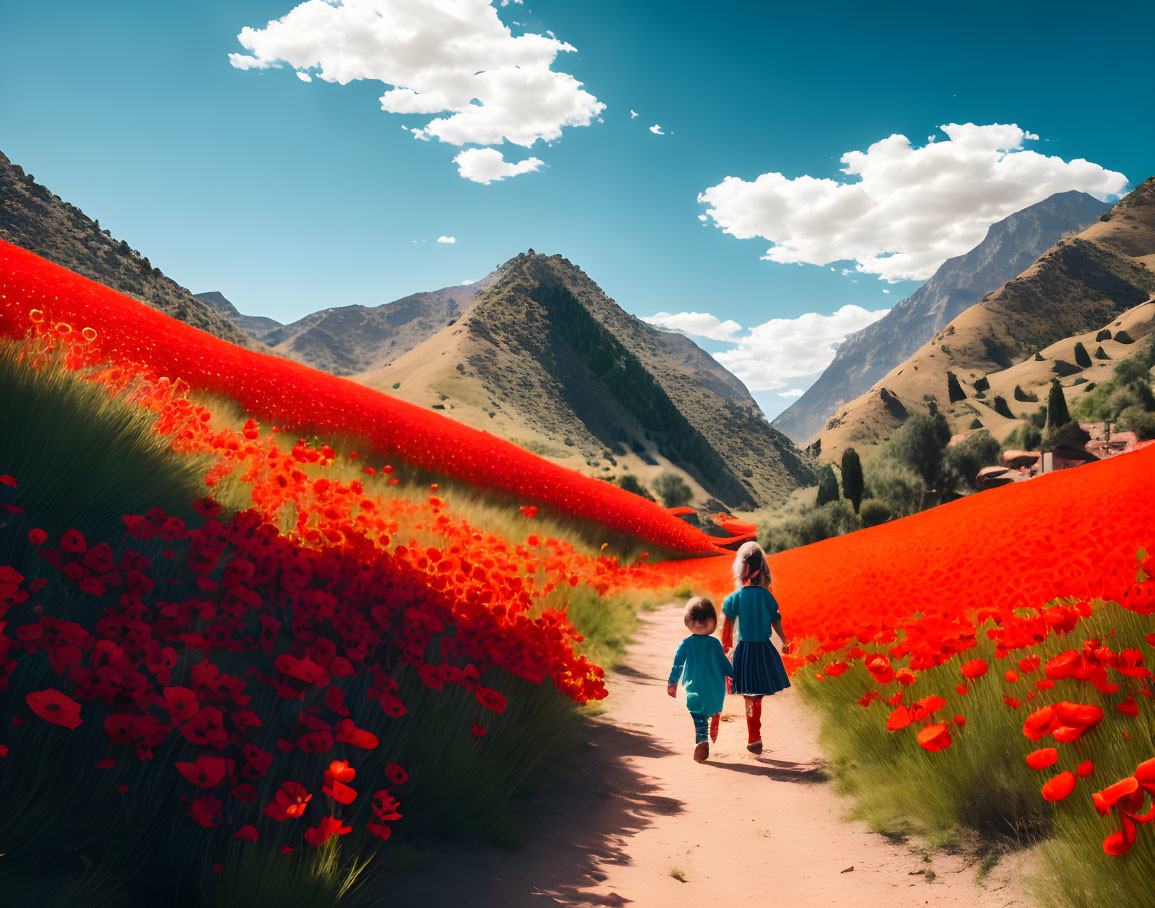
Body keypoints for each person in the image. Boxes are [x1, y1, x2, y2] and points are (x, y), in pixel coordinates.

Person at [721, 541, 791, 755]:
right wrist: (785, 641)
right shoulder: (767, 596)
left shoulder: (735, 598)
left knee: (749, 695)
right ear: (763, 570)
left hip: (743, 651)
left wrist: (725, 648)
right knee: (757, 693)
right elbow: (776, 621)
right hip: (762, 651)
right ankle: (754, 732)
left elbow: (728, 624)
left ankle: (754, 734)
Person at [667, 596, 733, 762]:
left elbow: (677, 665)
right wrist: (734, 676)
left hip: (696, 686)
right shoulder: (706, 644)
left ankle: (704, 735)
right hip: (711, 685)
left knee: (697, 711)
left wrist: (672, 682)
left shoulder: (691, 644)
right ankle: (704, 735)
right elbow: (724, 663)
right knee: (702, 709)